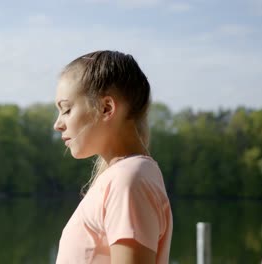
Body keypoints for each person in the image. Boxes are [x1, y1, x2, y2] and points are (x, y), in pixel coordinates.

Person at [53, 50, 173, 264]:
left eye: (67, 109)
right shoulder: (125, 177)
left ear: (106, 108)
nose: (58, 124)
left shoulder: (128, 180)